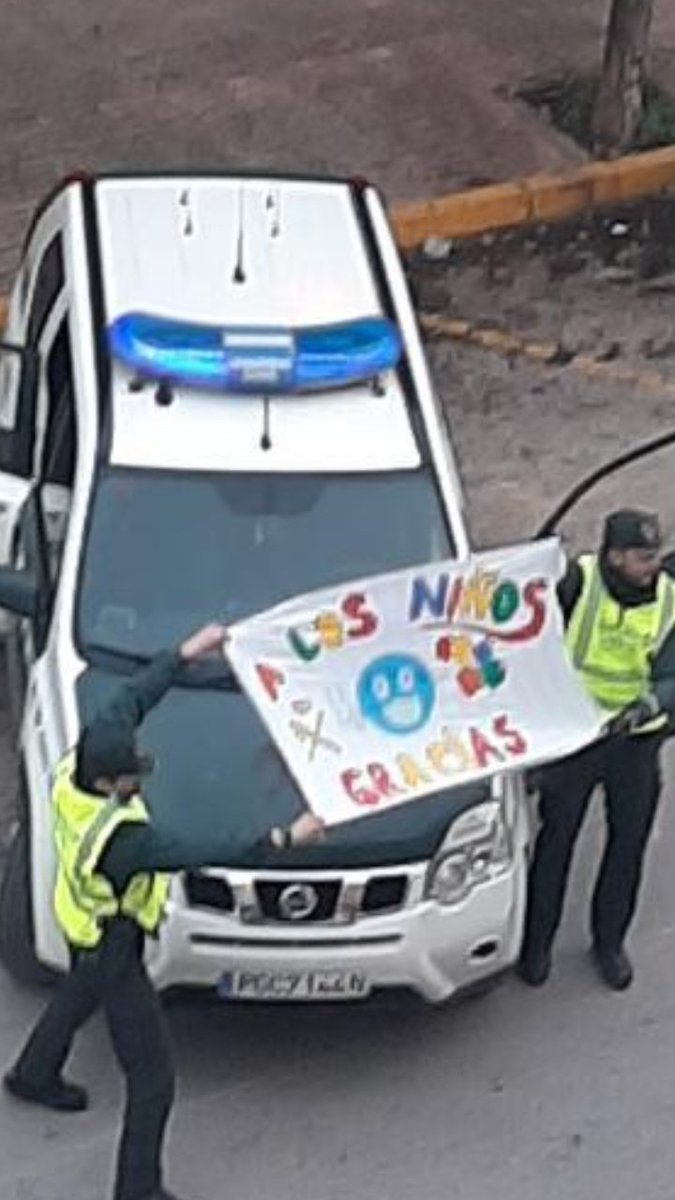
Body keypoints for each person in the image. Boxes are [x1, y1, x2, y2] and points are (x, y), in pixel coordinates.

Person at [3, 623, 324, 1200]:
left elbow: (132, 697)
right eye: (130, 777)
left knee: (78, 992)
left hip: (83, 925)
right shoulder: (124, 842)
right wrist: (285, 838)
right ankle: (137, 1191)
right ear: (108, 781)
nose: (136, 780)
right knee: (152, 1082)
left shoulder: (84, 760)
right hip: (114, 945)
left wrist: (183, 653)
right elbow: (202, 851)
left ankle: (33, 1073)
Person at [518, 509, 675, 992]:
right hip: (576, 740)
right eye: (642, 557)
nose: (652, 565)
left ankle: (609, 943)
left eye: (655, 555)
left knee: (627, 847)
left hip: (636, 742)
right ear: (614, 556)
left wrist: (648, 704)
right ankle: (536, 946)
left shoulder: (670, 596)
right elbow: (531, 634)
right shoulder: (576, 582)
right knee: (555, 843)